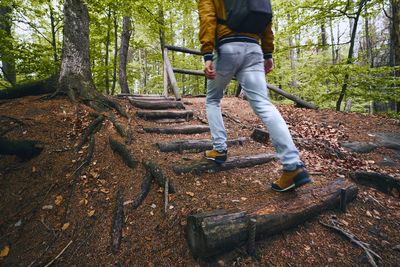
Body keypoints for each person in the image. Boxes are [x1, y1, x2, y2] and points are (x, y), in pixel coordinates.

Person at [198, 0, 311, 192]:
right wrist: (268, 53)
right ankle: (293, 165)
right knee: (264, 105)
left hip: (227, 48)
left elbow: (207, 18)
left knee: (213, 100)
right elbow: (267, 20)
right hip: (253, 50)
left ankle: (219, 149)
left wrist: (207, 54)